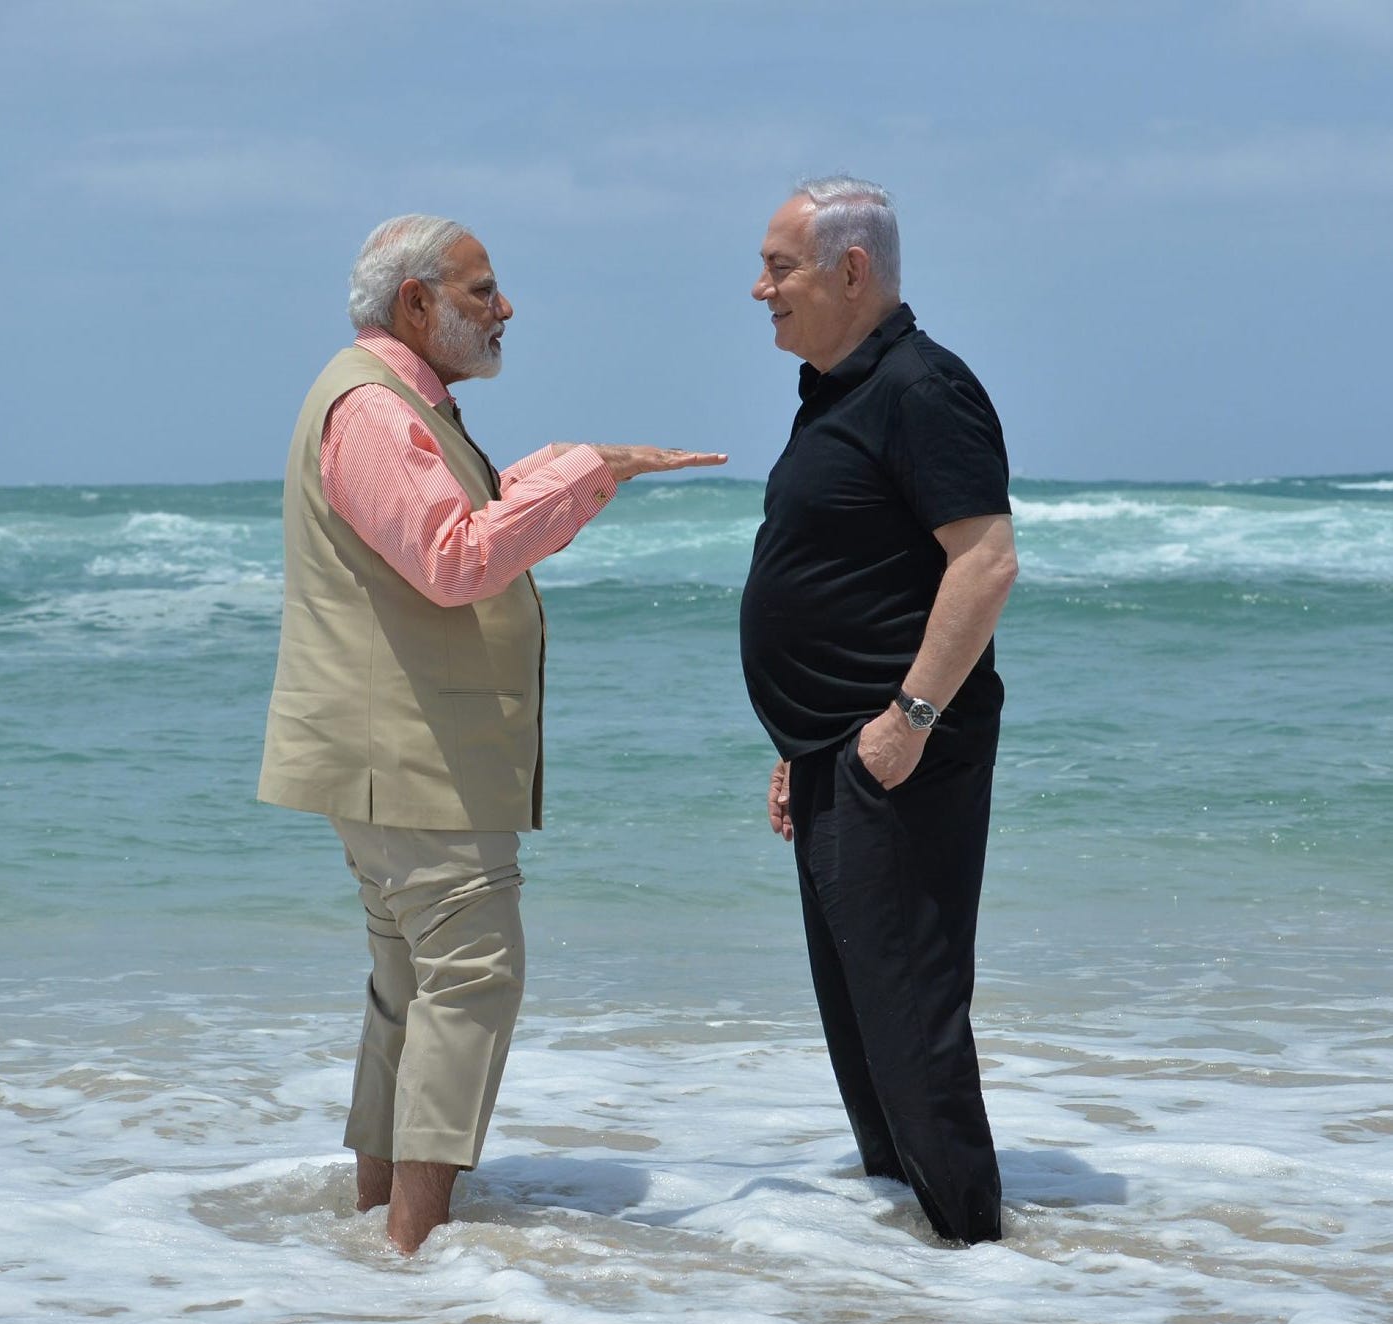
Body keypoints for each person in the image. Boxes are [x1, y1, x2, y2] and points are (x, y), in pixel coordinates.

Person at [258, 214, 724, 1252]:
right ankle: (412, 1245)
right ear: (415, 302)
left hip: (388, 756)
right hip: (407, 757)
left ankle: (382, 1231)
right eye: (482, 290)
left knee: (410, 983)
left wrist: (588, 467)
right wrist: (583, 472)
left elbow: (449, 518)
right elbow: (454, 558)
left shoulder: (392, 400)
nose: (504, 308)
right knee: (471, 975)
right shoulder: (373, 409)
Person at [740, 177, 1018, 1244]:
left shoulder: (921, 387)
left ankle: (975, 1256)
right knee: (862, 1034)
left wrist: (907, 719)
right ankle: (910, 1284)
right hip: (837, 752)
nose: (759, 287)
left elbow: (983, 562)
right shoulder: (834, 392)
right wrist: (799, 743)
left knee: (910, 1024)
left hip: (897, 757)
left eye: (778, 267)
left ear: (850, 271)